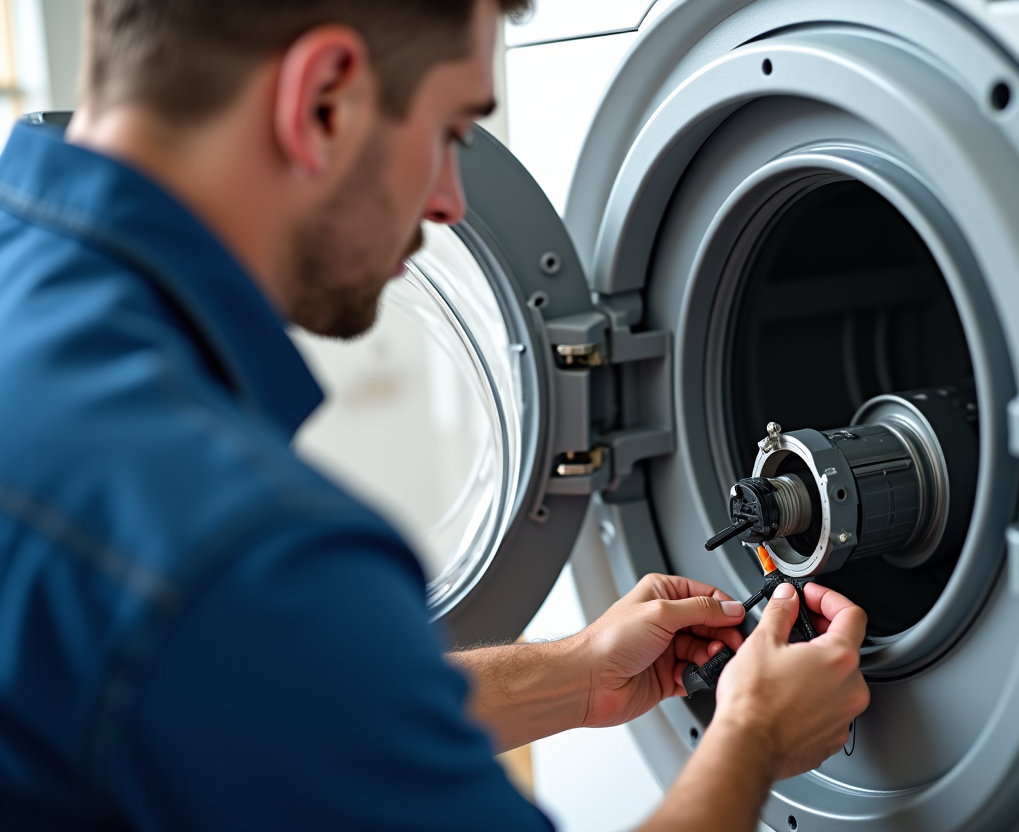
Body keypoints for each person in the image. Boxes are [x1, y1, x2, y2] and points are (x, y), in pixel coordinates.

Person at [0, 0, 870, 829]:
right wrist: (753, 739)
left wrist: (571, 679)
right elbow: (238, 632)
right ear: (325, 100)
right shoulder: (243, 547)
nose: (451, 199)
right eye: (452, 131)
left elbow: (240, 700)